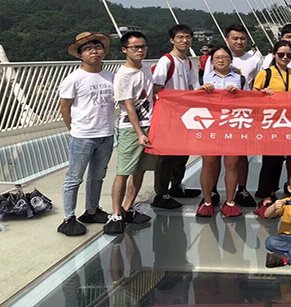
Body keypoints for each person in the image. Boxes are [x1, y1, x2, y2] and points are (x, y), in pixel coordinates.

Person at [57, 32, 115, 236]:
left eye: (97, 47)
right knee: (74, 178)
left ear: (104, 52)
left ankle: (92, 210)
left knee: (98, 176)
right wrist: (72, 130)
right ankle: (68, 217)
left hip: (106, 133)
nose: (94, 52)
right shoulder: (73, 78)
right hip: (83, 135)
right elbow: (65, 107)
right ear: (80, 55)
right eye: (88, 49)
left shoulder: (110, 76)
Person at [204, 24, 263, 208]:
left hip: (240, 117)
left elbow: (256, 86)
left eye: (242, 38)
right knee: (213, 158)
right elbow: (203, 87)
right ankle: (212, 191)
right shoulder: (213, 61)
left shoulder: (254, 60)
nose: (239, 42)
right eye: (235, 38)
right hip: (214, 119)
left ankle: (241, 190)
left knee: (239, 156)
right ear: (227, 39)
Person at [104, 31, 155, 235]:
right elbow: (129, 107)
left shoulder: (147, 68)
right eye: (135, 47)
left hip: (150, 125)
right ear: (125, 50)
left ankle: (128, 208)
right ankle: (116, 213)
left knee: (140, 170)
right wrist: (139, 133)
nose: (140, 50)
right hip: (130, 129)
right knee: (123, 172)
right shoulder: (123, 75)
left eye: (143, 46)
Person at [152, 24, 200, 209]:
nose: (184, 40)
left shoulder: (187, 61)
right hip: (168, 115)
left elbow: (193, 86)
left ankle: (176, 185)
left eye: (187, 37)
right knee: (166, 155)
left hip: (184, 115)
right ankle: (161, 194)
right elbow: (157, 87)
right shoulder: (167, 61)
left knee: (182, 152)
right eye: (180, 37)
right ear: (172, 40)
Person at [196, 44, 247, 218]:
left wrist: (238, 94)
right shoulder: (205, 78)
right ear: (212, 61)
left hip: (233, 126)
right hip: (211, 127)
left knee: (232, 165)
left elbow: (250, 101)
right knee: (208, 164)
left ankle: (230, 201)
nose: (221, 60)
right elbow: (193, 100)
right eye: (217, 57)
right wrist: (201, 91)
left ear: (231, 60)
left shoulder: (240, 79)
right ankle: (207, 201)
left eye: (225, 57)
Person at [253, 40, 291, 216]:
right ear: (274, 55)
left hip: (289, 122)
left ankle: (281, 190)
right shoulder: (265, 74)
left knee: (289, 157)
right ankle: (266, 194)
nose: (285, 57)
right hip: (271, 122)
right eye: (281, 54)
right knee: (271, 159)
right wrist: (263, 94)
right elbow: (253, 95)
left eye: (288, 54)